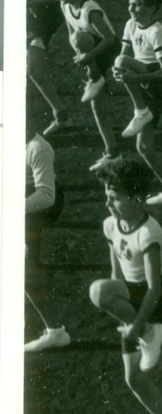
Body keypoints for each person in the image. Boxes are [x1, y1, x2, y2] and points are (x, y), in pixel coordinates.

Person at [88, 157, 162, 414]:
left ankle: (150, 334)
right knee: (133, 378)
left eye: (115, 198)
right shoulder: (110, 225)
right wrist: (124, 315)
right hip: (133, 302)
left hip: (159, 298)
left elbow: (155, 286)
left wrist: (139, 325)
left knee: (98, 290)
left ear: (139, 199)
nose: (108, 203)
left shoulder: (149, 232)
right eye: (106, 195)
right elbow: (117, 273)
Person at [114, 0, 162, 205]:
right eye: (130, 4)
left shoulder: (157, 31)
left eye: (137, 4)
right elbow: (124, 54)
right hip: (144, 79)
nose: (132, 9)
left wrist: (132, 76)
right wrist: (119, 73)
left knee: (123, 63)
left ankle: (140, 111)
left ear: (152, 8)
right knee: (144, 147)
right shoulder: (130, 25)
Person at [49, 0, 122, 170]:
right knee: (97, 106)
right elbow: (72, 33)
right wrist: (80, 55)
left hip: (108, 50)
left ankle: (97, 78)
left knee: (80, 37)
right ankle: (113, 153)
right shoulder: (66, 6)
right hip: (91, 51)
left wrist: (87, 56)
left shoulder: (90, 10)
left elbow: (110, 38)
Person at [24, 96, 70, 352]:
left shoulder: (37, 148)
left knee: (25, 271)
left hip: (37, 209)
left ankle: (55, 331)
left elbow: (47, 197)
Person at [26, 0, 69, 135]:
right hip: (24, 20)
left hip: (40, 22)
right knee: (33, 73)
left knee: (33, 71)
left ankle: (56, 114)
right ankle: (59, 113)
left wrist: (32, 2)